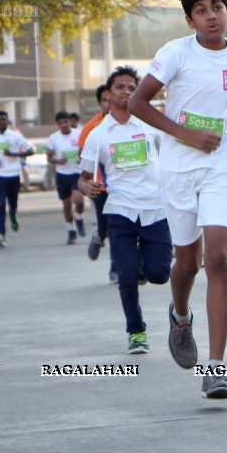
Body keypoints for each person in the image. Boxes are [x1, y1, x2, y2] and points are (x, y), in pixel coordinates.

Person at [129, 0, 227, 400]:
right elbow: (138, 102)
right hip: (178, 170)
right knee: (187, 264)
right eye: (202, 12)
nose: (212, 17)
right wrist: (185, 134)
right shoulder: (175, 54)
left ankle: (216, 367)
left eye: (218, 9)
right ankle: (180, 312)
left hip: (222, 168)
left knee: (221, 260)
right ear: (190, 20)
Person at [79, 65, 172, 354]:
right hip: (119, 211)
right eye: (121, 87)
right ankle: (136, 332)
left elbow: (172, 153)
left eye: (132, 88)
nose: (126, 92)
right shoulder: (98, 134)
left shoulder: (149, 125)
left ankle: (145, 267)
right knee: (127, 276)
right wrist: (87, 188)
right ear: (108, 93)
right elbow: (83, 177)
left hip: (156, 209)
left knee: (159, 274)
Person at [0, 111, 34, 248]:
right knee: (1, 203)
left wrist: (13, 154)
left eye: (4, 119)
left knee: (13, 203)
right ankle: (0, 233)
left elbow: (30, 150)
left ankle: (13, 215)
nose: (1, 122)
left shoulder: (16, 136)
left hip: (14, 175)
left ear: (7, 121)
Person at [79, 84, 116, 279]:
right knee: (105, 227)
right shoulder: (91, 128)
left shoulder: (133, 123)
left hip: (122, 188)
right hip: (100, 187)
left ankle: (115, 268)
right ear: (99, 103)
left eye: (111, 99)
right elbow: (82, 156)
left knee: (117, 228)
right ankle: (97, 237)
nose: (109, 103)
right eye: (104, 100)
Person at [47, 111, 86, 244]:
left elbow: (86, 149)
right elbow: (49, 157)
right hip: (62, 174)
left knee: (79, 200)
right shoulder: (53, 138)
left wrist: (81, 158)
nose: (63, 125)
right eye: (60, 123)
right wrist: (59, 161)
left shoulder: (78, 134)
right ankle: (71, 230)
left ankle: (79, 217)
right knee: (67, 205)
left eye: (66, 122)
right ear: (57, 124)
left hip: (76, 173)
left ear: (70, 121)